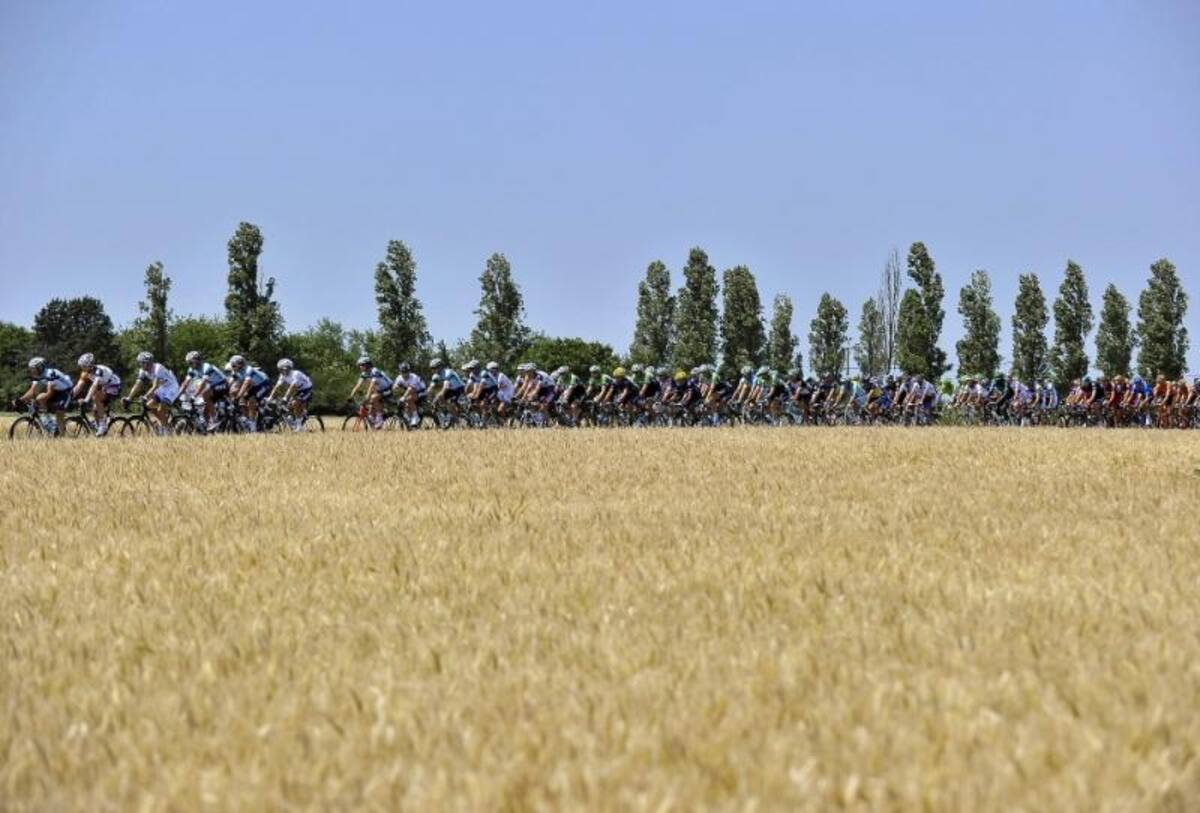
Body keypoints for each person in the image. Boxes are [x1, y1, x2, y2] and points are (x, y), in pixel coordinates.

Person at [124, 351, 179, 434]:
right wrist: (129, 397)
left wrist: (146, 396)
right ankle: (165, 424)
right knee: (149, 405)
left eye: (142, 363)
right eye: (139, 363)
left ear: (148, 362)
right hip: (163, 387)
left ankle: (167, 429)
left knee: (161, 409)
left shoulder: (158, 368)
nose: (140, 365)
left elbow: (155, 386)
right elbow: (137, 384)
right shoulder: (142, 371)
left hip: (172, 387)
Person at [17, 357, 73, 435]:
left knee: (59, 412)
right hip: (55, 391)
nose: (32, 371)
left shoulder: (50, 373)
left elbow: (49, 392)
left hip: (65, 391)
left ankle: (62, 436)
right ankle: (49, 421)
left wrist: (37, 400)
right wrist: (20, 400)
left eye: (34, 368)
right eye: (31, 369)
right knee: (38, 399)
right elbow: (32, 390)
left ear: (40, 367)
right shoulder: (37, 375)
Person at [177, 350, 229, 431]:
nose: (189, 365)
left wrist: (194, 396)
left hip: (222, 383)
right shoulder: (191, 369)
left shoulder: (206, 366)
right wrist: (177, 395)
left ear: (197, 360)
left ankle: (214, 419)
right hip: (213, 386)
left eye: (190, 363)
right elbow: (185, 383)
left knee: (205, 394)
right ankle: (212, 430)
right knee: (205, 413)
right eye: (188, 363)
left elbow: (203, 383)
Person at [72, 353, 121, 436]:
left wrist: (86, 400)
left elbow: (94, 386)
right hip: (104, 386)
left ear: (89, 365)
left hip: (114, 385)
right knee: (95, 410)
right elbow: (78, 386)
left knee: (96, 397)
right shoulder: (85, 372)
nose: (82, 368)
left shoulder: (99, 370)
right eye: (81, 366)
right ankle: (101, 427)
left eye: (83, 366)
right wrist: (70, 397)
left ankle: (102, 424)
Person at [347, 356, 393, 429]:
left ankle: (380, 418)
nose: (360, 367)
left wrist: (367, 397)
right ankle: (374, 418)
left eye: (361, 365)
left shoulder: (374, 371)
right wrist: (351, 396)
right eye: (359, 365)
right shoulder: (364, 373)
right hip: (379, 390)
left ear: (367, 365)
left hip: (388, 389)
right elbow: (358, 385)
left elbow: (372, 385)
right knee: (370, 404)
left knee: (372, 398)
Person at [228, 355, 272, 431]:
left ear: (240, 365)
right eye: (232, 366)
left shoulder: (248, 370)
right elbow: (235, 385)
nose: (233, 367)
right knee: (242, 402)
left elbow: (245, 383)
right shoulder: (238, 372)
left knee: (251, 400)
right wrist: (231, 393)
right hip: (253, 386)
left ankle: (253, 427)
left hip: (263, 384)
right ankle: (250, 419)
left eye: (234, 366)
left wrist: (238, 396)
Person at [268, 359, 313, 430]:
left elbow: (292, 387)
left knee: (295, 403)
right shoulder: (282, 375)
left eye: (286, 369)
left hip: (306, 388)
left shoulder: (296, 374)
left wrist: (285, 397)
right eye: (282, 369)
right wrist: (270, 398)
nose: (284, 371)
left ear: (290, 368)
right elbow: (277, 387)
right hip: (297, 389)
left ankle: (299, 426)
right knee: (288, 405)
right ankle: (299, 413)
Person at [395, 362, 427, 427]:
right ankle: (409, 416)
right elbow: (395, 387)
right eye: (403, 372)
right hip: (411, 392)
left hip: (421, 391)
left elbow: (410, 389)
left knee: (409, 398)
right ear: (400, 372)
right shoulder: (399, 377)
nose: (405, 373)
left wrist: (403, 397)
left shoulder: (413, 377)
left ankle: (416, 417)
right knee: (405, 402)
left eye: (406, 371)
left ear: (409, 371)